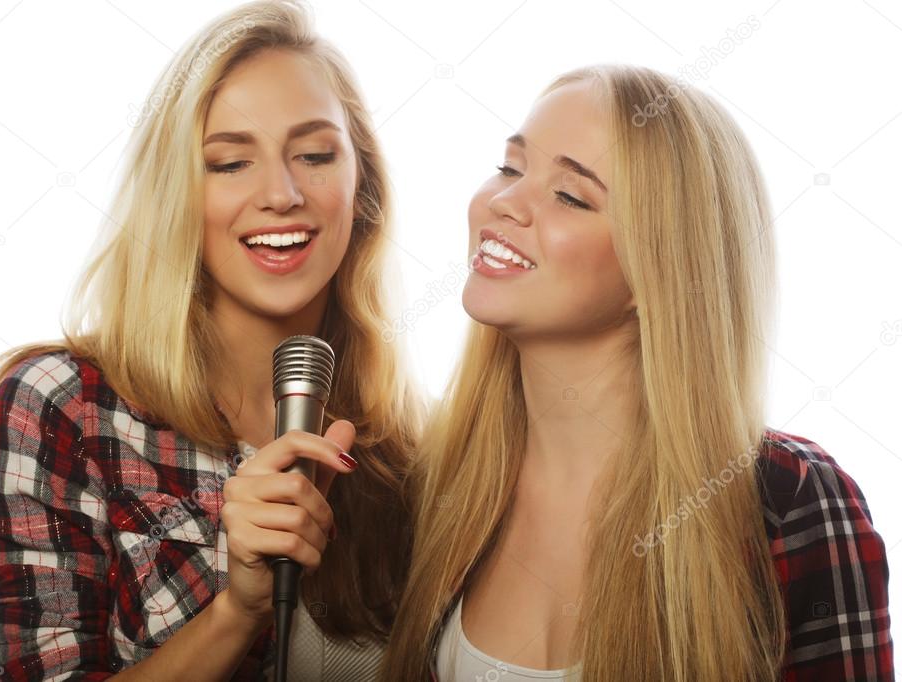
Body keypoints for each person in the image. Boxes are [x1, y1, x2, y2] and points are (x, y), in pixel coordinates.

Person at [379, 64, 893, 681]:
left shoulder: (794, 503)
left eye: (570, 195)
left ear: (660, 271)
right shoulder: (429, 483)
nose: (504, 202)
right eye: (511, 167)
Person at [0, 1, 422, 679]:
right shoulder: (65, 408)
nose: (282, 193)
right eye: (230, 163)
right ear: (173, 194)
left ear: (363, 185)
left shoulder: (413, 450)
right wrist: (237, 611)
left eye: (315, 154)